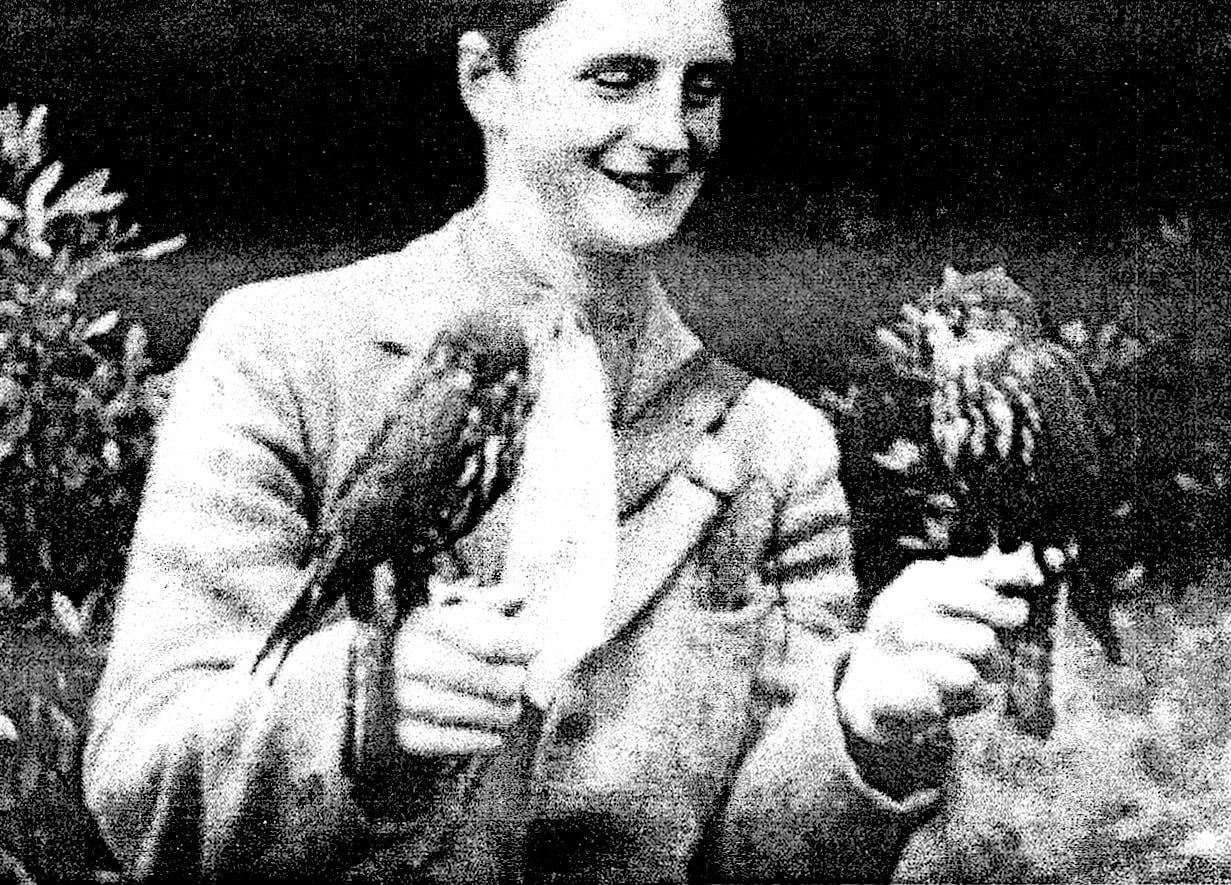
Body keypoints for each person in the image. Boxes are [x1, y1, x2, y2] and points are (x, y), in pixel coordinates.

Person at [82, 0, 1039, 881]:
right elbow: (142, 790)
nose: (669, 133)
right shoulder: (286, 353)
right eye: (617, 79)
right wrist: (361, 717)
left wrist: (861, 723)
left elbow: (762, 863)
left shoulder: (773, 448)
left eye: (701, 88)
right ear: (484, 81)